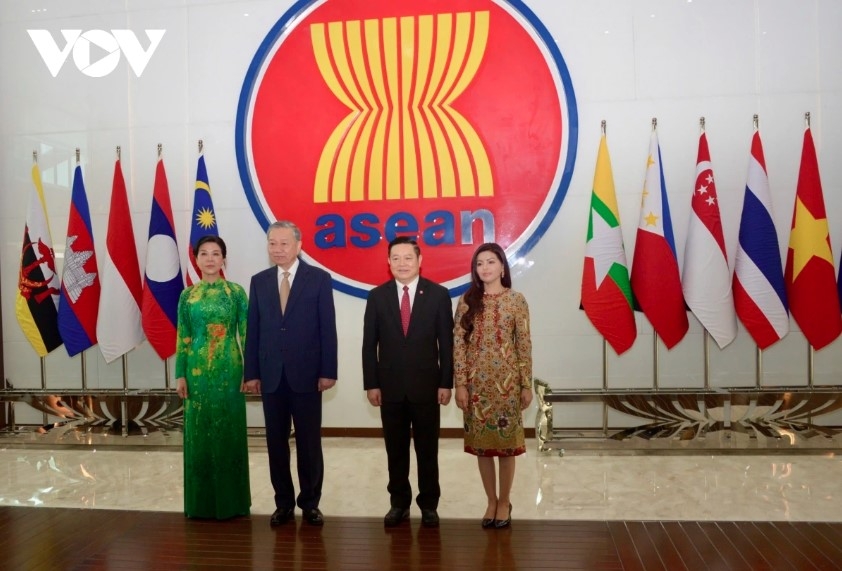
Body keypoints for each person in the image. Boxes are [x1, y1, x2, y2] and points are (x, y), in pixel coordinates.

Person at [243, 220, 338, 527]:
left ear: (298, 246)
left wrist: (328, 370)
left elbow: (328, 329)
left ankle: (310, 503)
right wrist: (251, 373)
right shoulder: (259, 281)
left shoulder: (319, 279)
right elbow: (253, 331)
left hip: (308, 375)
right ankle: (283, 502)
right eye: (272, 243)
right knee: (276, 443)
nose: (278, 249)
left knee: (309, 443)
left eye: (284, 243)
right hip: (271, 376)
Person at [362, 236, 454, 528]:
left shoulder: (439, 295)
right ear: (388, 262)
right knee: (395, 451)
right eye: (396, 258)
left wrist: (445, 382)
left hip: (427, 387)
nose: (402, 263)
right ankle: (398, 502)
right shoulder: (377, 296)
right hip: (389, 389)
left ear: (420, 260)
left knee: (428, 451)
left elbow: (447, 345)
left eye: (408, 258)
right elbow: (369, 345)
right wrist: (371, 384)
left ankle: (429, 504)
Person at [453, 242, 532, 529]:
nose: (484, 268)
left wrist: (526, 385)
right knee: (483, 448)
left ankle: (505, 501)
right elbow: (458, 347)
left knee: (507, 447)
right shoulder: (466, 301)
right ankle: (490, 499)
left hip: (508, 387)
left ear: (502, 266)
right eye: (479, 264)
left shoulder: (516, 301)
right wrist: (460, 384)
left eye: (490, 262)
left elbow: (524, 345)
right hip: (476, 389)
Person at [175, 235, 250, 519]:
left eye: (215, 254)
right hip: (196, 372)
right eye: (204, 253)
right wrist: (180, 374)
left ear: (223, 259)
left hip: (230, 370)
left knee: (228, 431)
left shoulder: (236, 293)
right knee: (199, 432)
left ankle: (233, 503)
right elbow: (183, 336)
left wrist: (249, 371)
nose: (209, 259)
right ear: (196, 259)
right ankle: (200, 503)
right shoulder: (187, 296)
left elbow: (247, 334)